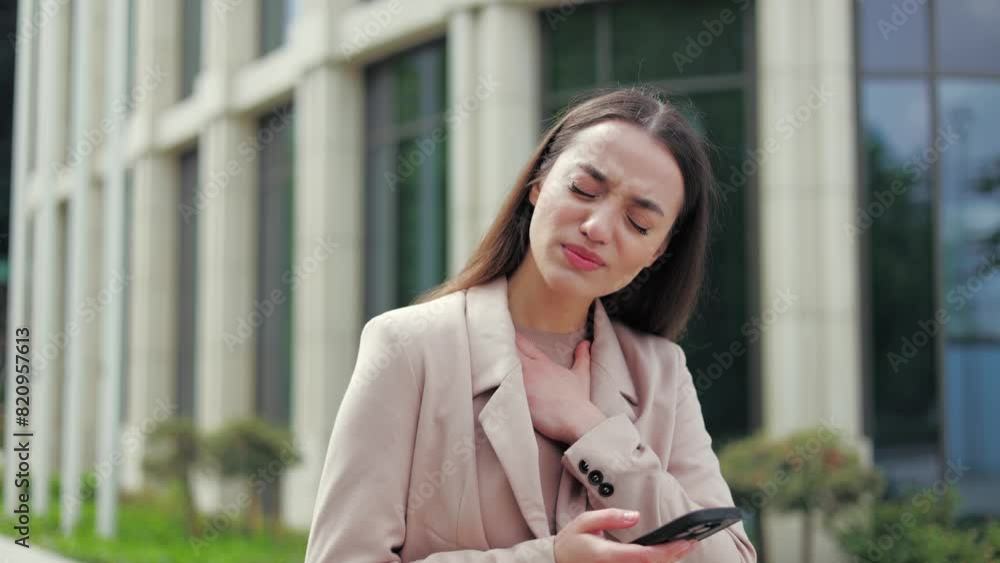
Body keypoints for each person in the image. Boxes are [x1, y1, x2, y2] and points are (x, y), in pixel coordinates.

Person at [304, 86, 758, 562]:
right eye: (584, 190)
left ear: (657, 252)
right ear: (538, 184)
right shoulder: (409, 347)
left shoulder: (662, 372)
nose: (598, 228)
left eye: (638, 223)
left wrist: (591, 430)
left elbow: (727, 556)